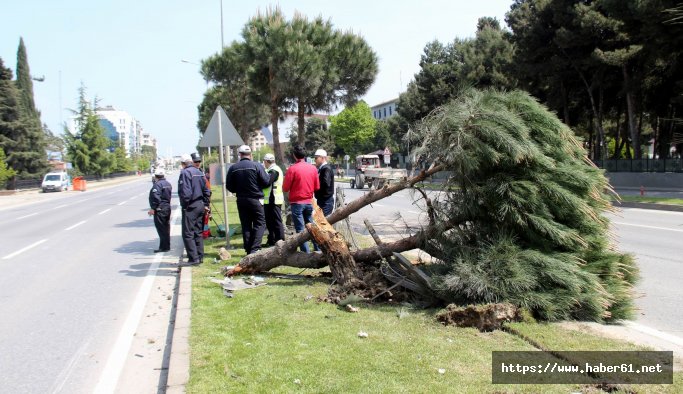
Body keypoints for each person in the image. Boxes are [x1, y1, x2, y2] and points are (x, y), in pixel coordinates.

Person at [225, 145, 270, 254]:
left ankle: (248, 249)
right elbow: (266, 182)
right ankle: (255, 248)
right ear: (250, 154)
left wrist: (238, 190)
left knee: (246, 224)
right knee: (260, 223)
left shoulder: (233, 168)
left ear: (240, 155)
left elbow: (229, 186)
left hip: (241, 199)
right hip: (256, 199)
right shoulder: (257, 166)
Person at [282, 145, 319, 253]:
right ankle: (318, 249)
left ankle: (306, 253)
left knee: (300, 229)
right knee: (312, 228)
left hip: (297, 203)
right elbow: (317, 187)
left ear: (294, 155)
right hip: (309, 202)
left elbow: (285, 188)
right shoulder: (313, 168)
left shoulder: (292, 169)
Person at [178, 153, 211, 266]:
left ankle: (193, 258)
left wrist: (185, 205)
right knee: (198, 232)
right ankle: (200, 256)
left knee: (188, 233)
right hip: (200, 205)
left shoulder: (185, 173)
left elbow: (185, 192)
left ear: (183, 164)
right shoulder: (199, 172)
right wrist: (206, 204)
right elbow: (207, 191)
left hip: (191, 206)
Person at [262, 153, 285, 246]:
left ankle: (281, 240)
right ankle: (271, 240)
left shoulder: (274, 171)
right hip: (271, 199)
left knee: (276, 221)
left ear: (266, 162)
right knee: (270, 221)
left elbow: (267, 182)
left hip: (274, 199)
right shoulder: (271, 169)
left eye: (264, 162)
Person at [148, 168, 172, 253]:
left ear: (155, 176)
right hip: (167, 208)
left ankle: (164, 247)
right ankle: (166, 246)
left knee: (161, 228)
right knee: (166, 227)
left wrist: (153, 208)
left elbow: (156, 198)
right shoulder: (168, 184)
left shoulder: (157, 185)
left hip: (160, 209)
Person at [314, 149, 335, 216]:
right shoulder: (322, 168)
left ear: (322, 158)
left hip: (326, 201)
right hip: (322, 200)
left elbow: (326, 183)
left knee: (324, 223)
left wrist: (316, 187)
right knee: (320, 222)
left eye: (316, 158)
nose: (315, 160)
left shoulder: (326, 168)